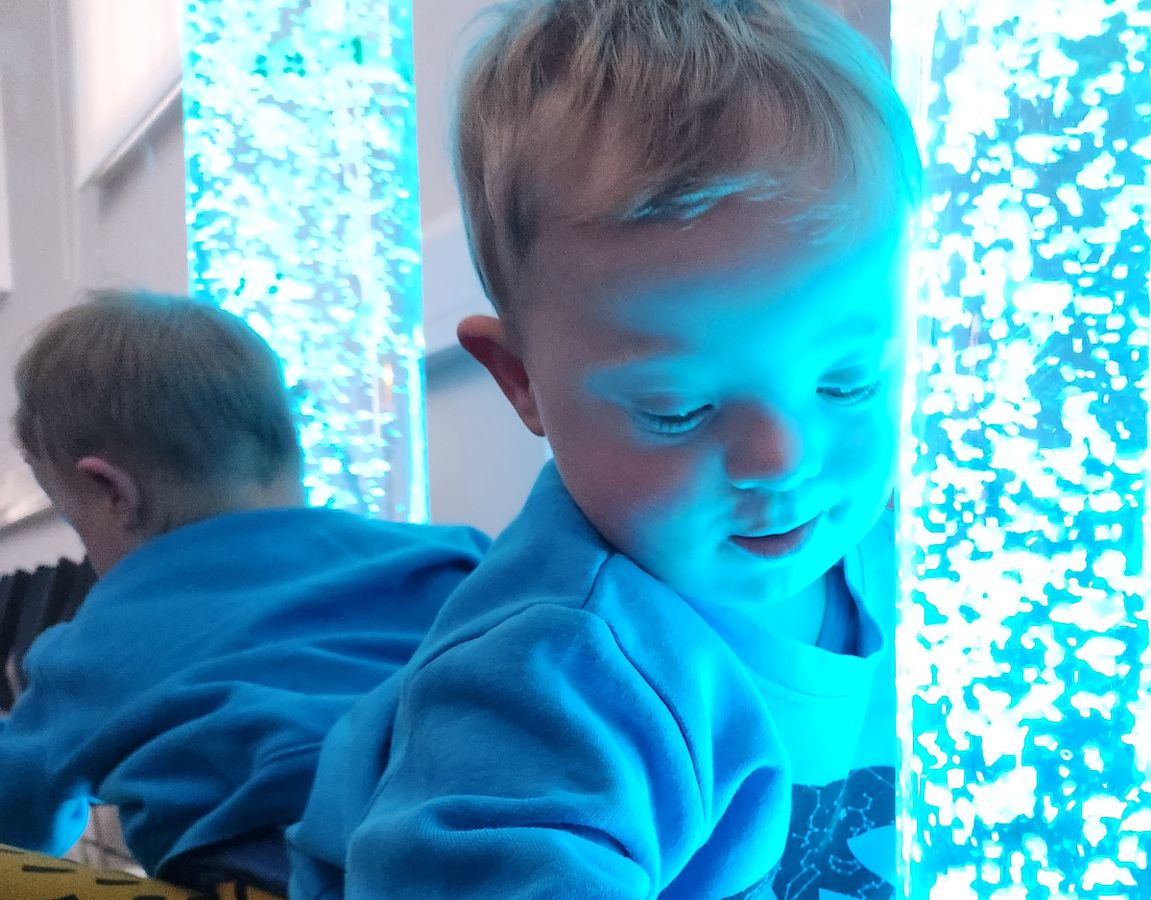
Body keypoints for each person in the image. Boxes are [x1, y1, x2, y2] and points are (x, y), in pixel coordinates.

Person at [284, 0, 920, 896]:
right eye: (677, 407)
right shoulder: (551, 685)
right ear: (519, 381)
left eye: (849, 381)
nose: (782, 459)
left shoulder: (911, 560)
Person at [0, 292, 489, 898]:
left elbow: (19, 819)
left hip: (290, 874)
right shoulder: (451, 553)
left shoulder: (91, 645)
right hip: (497, 847)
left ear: (111, 491)